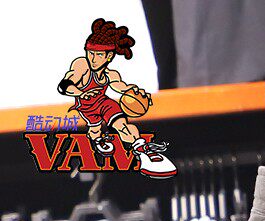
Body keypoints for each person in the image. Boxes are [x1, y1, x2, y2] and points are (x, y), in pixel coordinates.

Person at [58, 18, 176, 178]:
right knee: (94, 131)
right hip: (86, 108)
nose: (93, 59)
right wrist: (80, 92)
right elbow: (65, 85)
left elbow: (121, 86)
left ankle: (144, 151)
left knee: (122, 125)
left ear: (109, 56)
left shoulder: (110, 74)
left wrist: (134, 92)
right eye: (90, 53)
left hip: (104, 104)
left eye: (98, 55)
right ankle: (98, 140)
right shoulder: (82, 66)